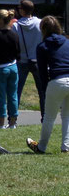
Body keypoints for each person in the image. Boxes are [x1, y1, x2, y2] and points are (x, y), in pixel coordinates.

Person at [27, 16, 69, 154]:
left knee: (49, 117)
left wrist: (45, 88)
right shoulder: (67, 42)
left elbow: (43, 71)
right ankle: (66, 147)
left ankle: (42, 147)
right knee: (67, 115)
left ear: (43, 29)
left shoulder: (42, 46)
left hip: (57, 80)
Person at [12, 0, 45, 121]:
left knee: (16, 91)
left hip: (22, 60)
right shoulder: (40, 23)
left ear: (22, 10)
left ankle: (13, 118)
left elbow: (13, 44)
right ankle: (45, 117)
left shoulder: (16, 26)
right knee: (42, 91)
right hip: (37, 60)